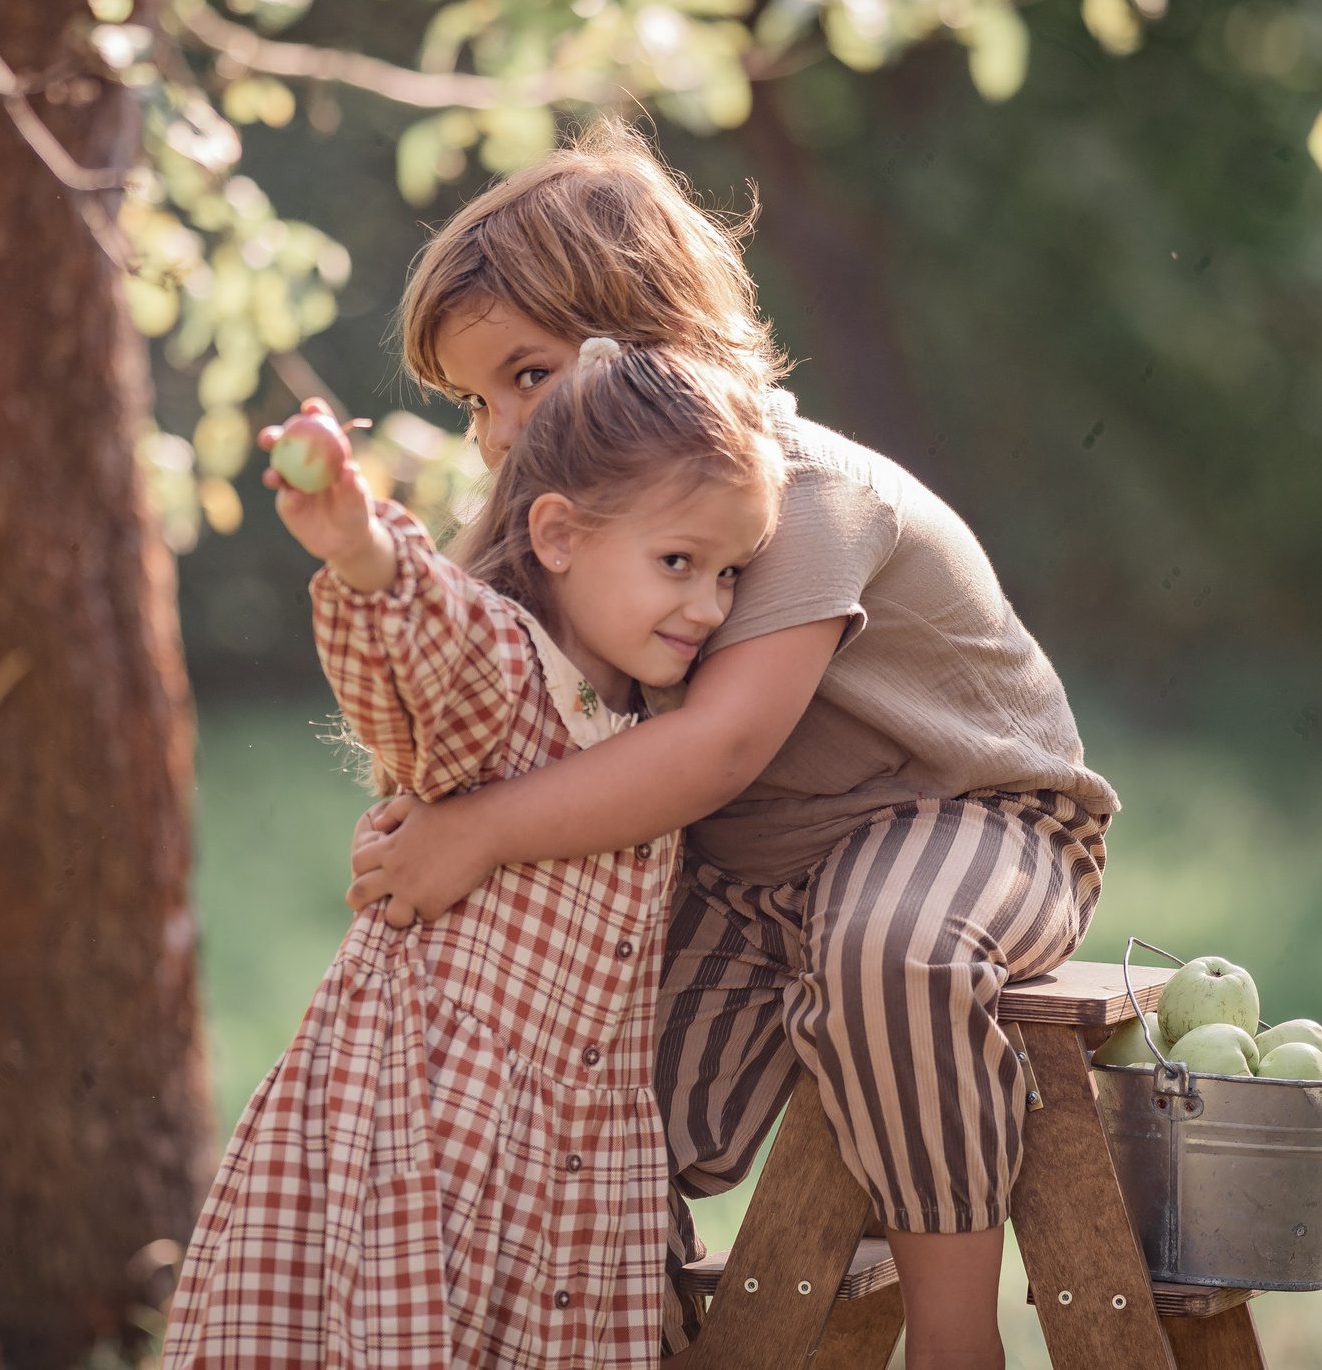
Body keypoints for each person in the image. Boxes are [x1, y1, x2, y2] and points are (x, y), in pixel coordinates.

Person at [346, 124, 1118, 1370]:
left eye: (526, 377)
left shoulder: (802, 490)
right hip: (744, 878)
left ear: (641, 339)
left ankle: (955, 1338)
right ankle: (607, 1337)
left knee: (894, 947)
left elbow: (714, 748)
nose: (494, 433)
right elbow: (498, 700)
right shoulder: (572, 519)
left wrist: (480, 833)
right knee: (557, 1055)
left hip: (965, 820)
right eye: (475, 400)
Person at [162, 340, 785, 1370]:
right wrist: (360, 546)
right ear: (556, 535)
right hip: (429, 1127)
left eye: (729, 573)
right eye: (678, 563)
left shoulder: (645, 724)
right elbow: (422, 639)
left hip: (561, 1167)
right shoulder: (504, 673)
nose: (710, 606)